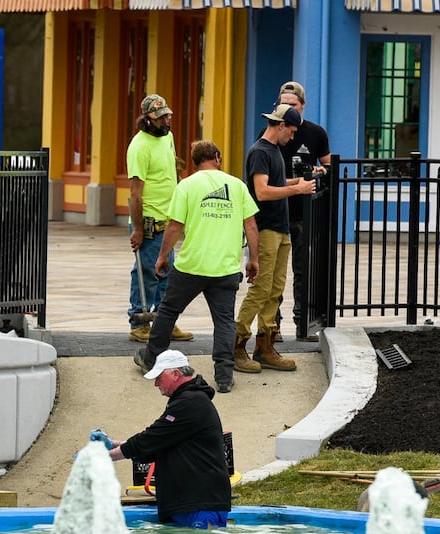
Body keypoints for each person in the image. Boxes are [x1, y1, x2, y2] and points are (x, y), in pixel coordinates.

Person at [133, 140, 260, 394]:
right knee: (224, 321)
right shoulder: (237, 186)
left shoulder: (187, 185)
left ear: (195, 161)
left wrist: (162, 256)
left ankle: (151, 359)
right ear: (217, 156)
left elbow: (174, 226)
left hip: (191, 265)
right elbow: (251, 226)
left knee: (168, 311)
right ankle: (224, 375)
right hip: (225, 268)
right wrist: (253, 259)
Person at [92, 349, 231, 528]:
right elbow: (158, 443)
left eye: (159, 376)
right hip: (191, 503)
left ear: (175, 374)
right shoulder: (188, 400)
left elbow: (150, 439)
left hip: (199, 504)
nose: (156, 383)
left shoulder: (191, 402)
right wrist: (113, 444)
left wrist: (105, 456)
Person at [235, 105, 314, 375]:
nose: (292, 138)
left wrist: (297, 182)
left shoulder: (274, 152)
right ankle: (236, 345)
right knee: (260, 290)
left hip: (281, 230)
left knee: (275, 291)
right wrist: (297, 190)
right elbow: (262, 192)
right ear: (280, 126)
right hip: (266, 228)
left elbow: (275, 182)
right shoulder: (260, 151)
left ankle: (265, 346)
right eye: (291, 132)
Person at [125, 93, 194, 346]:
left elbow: (172, 169)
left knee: (168, 272)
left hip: (169, 218)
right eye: (162, 117)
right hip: (150, 220)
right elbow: (135, 193)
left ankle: (166, 321)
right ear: (148, 119)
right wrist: (139, 229)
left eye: (168, 116)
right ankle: (139, 322)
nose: (167, 121)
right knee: (146, 271)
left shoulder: (168, 138)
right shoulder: (139, 146)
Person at [275, 81, 331, 342]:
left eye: (293, 105)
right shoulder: (270, 133)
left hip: (302, 213)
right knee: (273, 272)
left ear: (303, 106)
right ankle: (271, 326)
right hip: (275, 211)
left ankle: (302, 324)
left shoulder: (316, 133)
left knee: (302, 271)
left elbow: (329, 165)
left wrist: (321, 172)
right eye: (283, 105)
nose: (287, 110)